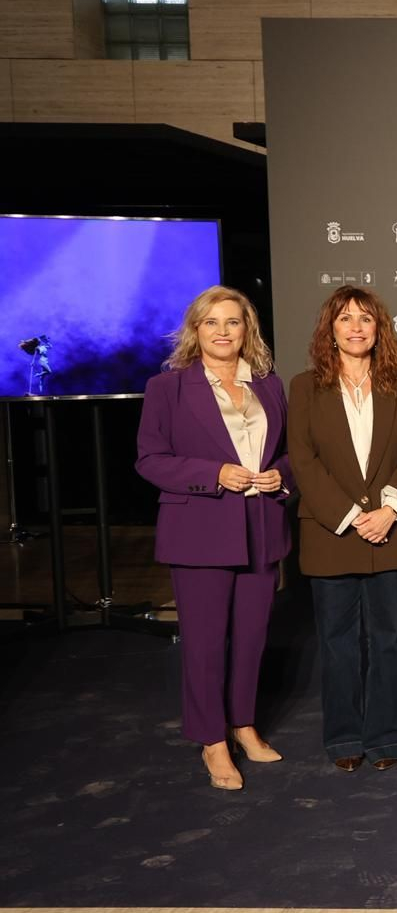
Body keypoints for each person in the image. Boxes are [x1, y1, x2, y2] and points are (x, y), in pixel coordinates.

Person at [135, 286, 293, 791]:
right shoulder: (169, 388)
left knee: (251, 639)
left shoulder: (269, 385)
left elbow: (289, 454)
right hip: (200, 532)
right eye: (212, 323)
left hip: (260, 528)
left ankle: (243, 725)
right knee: (205, 644)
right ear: (195, 330)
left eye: (233, 322)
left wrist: (279, 477)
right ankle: (212, 740)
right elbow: (150, 460)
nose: (223, 331)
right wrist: (214, 473)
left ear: (247, 329)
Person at [287, 286, 397, 773]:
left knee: (390, 639)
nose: (357, 327)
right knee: (338, 643)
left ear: (380, 328)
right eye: (345, 319)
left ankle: (388, 737)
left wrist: (390, 507)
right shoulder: (305, 386)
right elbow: (303, 458)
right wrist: (348, 515)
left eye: (366, 319)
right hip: (331, 535)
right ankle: (344, 737)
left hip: (392, 529)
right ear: (331, 329)